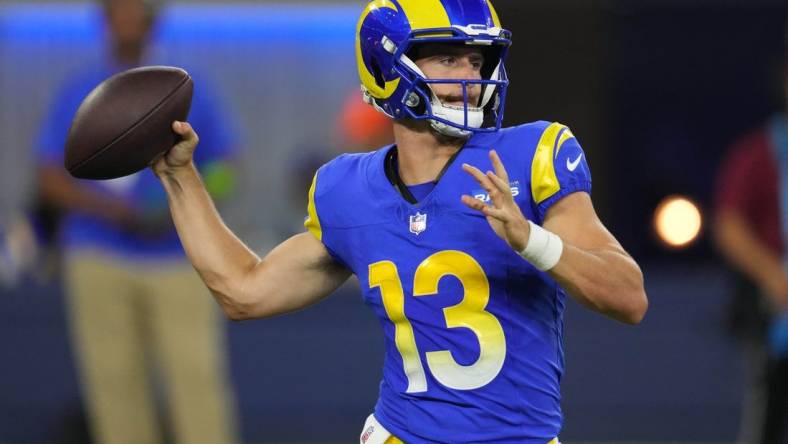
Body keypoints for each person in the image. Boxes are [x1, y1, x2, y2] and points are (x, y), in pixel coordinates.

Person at [152, 1, 647, 442]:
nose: (471, 78)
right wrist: (181, 177)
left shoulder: (528, 156)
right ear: (387, 66)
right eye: (449, 58)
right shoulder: (348, 190)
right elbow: (244, 291)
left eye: (476, 61)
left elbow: (629, 298)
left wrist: (532, 240)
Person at [36, 0, 238, 443]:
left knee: (196, 381)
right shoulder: (81, 91)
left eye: (134, 11)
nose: (126, 21)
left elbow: (226, 166)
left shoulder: (184, 87)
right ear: (103, 20)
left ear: (153, 19)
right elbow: (50, 176)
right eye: (116, 11)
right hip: (98, 253)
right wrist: (117, 213)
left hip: (178, 256)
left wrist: (180, 204)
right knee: (114, 387)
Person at [713, 43, 788, 442]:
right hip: (777, 320)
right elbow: (729, 226)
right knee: (766, 423)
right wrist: (774, 277)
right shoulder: (760, 153)